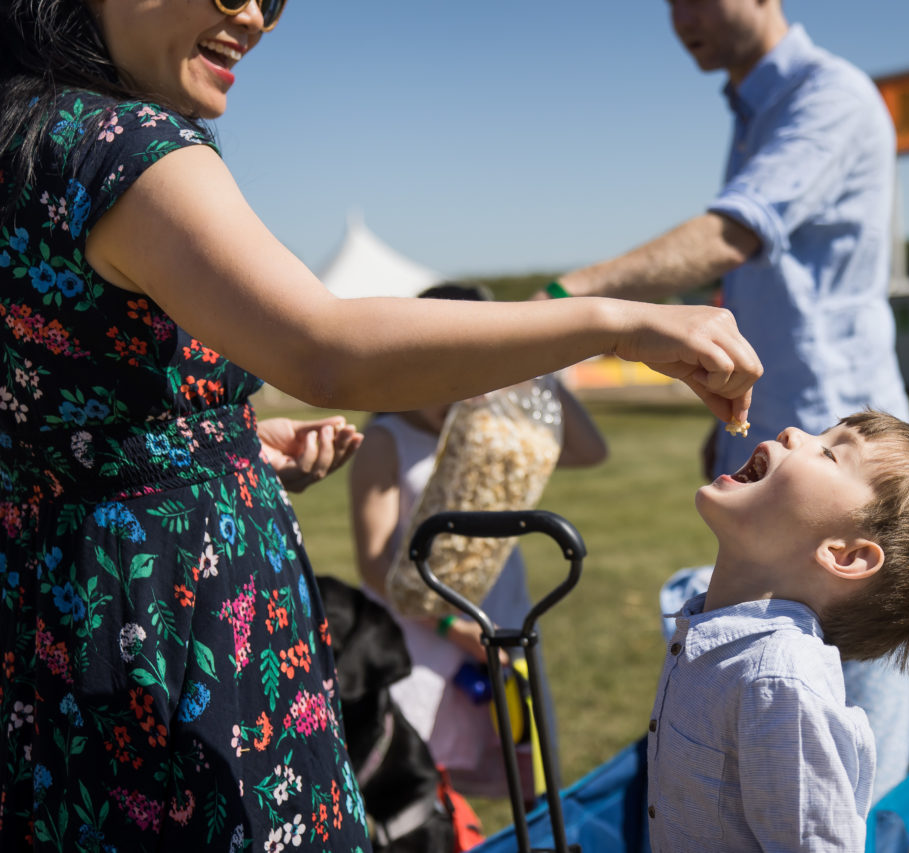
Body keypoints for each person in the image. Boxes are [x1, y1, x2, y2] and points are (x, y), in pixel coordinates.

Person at [0, 2, 761, 849]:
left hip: (54, 624)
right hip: (177, 634)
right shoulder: (130, 147)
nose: (254, 17)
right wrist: (617, 323)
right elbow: (327, 350)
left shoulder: (24, 140)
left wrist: (213, 450)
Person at [546, 0, 909, 796]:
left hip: (844, 468)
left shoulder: (831, 96)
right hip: (782, 454)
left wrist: (558, 301)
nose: (680, 16)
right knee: (752, 747)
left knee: (849, 767)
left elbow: (731, 236)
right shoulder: (757, 107)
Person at [648, 411, 909, 852]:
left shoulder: (781, 682)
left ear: (844, 555)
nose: (791, 432)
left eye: (829, 452)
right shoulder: (716, 637)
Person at [348, 283, 607, 798]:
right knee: (426, 782)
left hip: (502, 619)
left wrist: (531, 360)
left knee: (525, 778)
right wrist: (449, 622)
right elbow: (375, 563)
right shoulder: (386, 440)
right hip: (424, 638)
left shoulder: (497, 431)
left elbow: (589, 450)